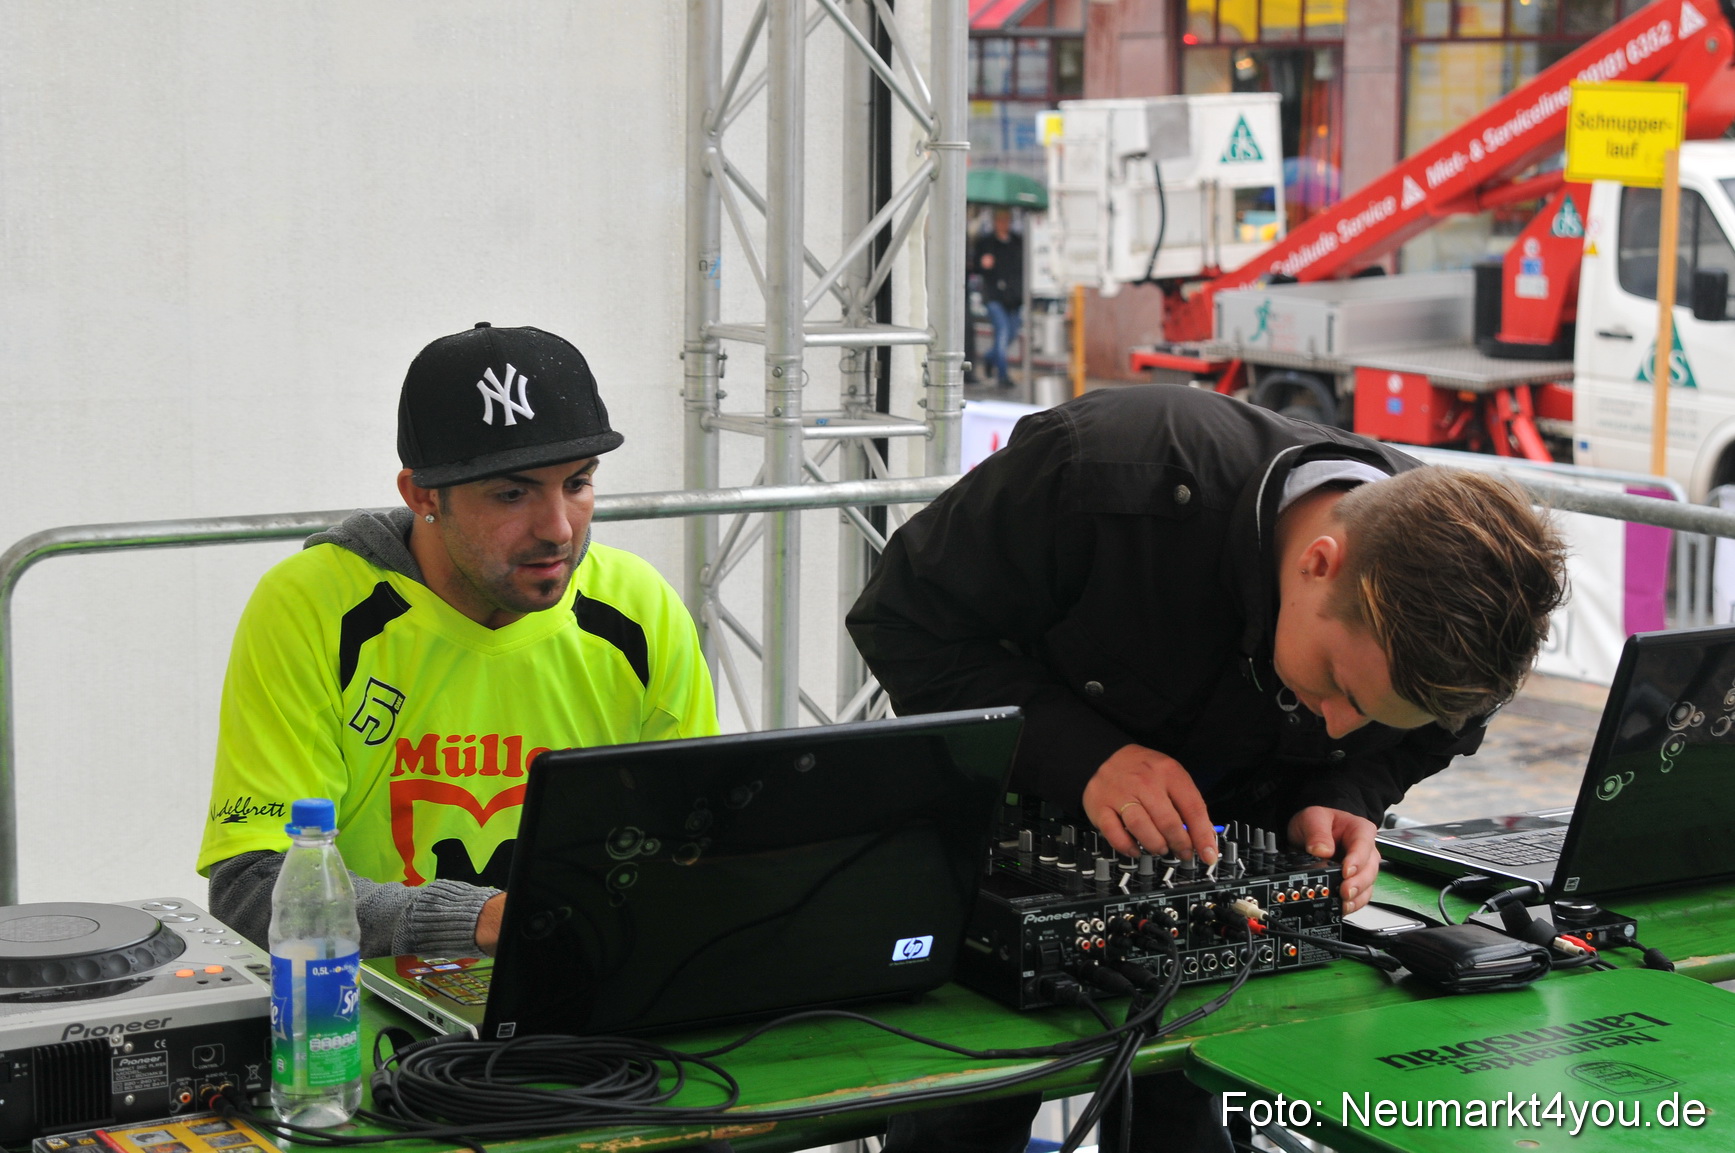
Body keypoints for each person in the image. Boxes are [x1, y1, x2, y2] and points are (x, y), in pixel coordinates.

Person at [847, 383, 1567, 1151]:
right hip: (1008, 850)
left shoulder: (1468, 608)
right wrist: (1084, 758)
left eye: (1375, 715)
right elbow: (902, 620)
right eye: (1337, 684)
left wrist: (1347, 790)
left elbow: (1433, 735)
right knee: (966, 1118)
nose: (1333, 723)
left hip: (1221, 921)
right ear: (1319, 563)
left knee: (1188, 1119)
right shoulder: (1102, 472)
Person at [198, 323, 719, 959]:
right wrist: (487, 920)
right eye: (512, 493)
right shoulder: (313, 604)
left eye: (578, 483)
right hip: (366, 1005)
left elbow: (698, 845)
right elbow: (254, 889)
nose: (558, 528)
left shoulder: (638, 606)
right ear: (423, 494)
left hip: (589, 988)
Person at [970, 207, 1025, 387]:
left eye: (1006, 220)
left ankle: (989, 357)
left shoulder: (1017, 241)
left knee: (1011, 333)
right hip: (994, 296)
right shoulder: (986, 243)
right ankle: (1002, 375)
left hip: (1014, 297)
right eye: (1000, 220)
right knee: (1002, 332)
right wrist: (983, 264)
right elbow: (976, 267)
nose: (1003, 224)